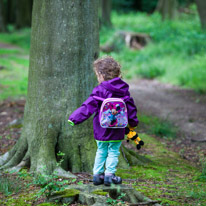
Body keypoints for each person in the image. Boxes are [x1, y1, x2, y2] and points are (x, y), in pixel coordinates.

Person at [68, 56, 139, 186]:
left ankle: (97, 175)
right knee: (113, 151)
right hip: (118, 129)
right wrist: (133, 122)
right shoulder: (124, 90)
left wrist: (74, 118)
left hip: (101, 128)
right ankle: (109, 175)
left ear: (101, 75)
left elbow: (88, 106)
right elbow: (130, 107)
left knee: (101, 150)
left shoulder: (100, 90)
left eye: (97, 74)